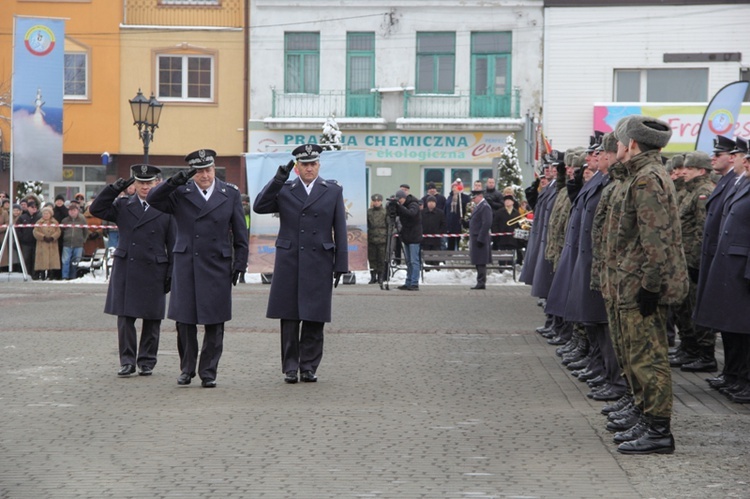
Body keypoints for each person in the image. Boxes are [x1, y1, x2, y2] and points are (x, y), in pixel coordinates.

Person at [610, 115, 687, 455]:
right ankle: (646, 416)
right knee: (638, 354)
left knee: (648, 357)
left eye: (620, 141)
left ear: (633, 144)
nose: (616, 147)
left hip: (641, 282)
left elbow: (655, 239)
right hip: (632, 279)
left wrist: (651, 285)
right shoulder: (640, 175)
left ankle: (658, 430)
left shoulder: (647, 179)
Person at [147, 149, 248, 388]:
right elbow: (153, 199)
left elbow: (240, 233)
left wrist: (240, 263)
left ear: (215, 169)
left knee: (215, 321)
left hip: (217, 265)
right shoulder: (180, 192)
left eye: (209, 169)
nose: (205, 175)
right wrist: (174, 181)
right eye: (200, 171)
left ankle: (209, 371)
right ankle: (187, 368)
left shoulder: (230, 193)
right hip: (187, 264)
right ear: (193, 173)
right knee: (185, 321)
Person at [253, 143, 348, 384]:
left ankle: (309, 366)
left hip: (320, 260)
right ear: (297, 167)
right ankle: (290, 367)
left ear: (319, 165)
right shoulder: (285, 189)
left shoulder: (332, 190)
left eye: (313, 164)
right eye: (304, 164)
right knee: (290, 317)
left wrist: (341, 265)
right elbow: (260, 206)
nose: (309, 168)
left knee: (315, 318)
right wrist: (277, 179)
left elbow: (340, 228)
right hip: (290, 261)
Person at [89, 164, 176, 378]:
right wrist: (114, 189)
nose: (145, 187)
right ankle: (127, 361)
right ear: (133, 184)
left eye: (149, 182)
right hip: (128, 265)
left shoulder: (167, 207)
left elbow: (172, 242)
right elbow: (96, 209)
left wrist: (172, 272)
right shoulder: (122, 205)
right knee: (126, 318)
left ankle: (147, 361)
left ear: (157, 183)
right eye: (140, 182)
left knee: (152, 318)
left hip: (155, 266)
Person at [667, 152, 716, 372]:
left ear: (702, 171)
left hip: (692, 262)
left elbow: (702, 231)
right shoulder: (689, 192)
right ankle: (689, 347)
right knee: (682, 308)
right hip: (683, 261)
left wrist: (696, 264)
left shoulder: (703, 192)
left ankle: (705, 354)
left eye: (689, 168)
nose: (683, 171)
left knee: (695, 308)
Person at [392, 188, 422, 291]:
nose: (399, 202)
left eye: (399, 199)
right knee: (409, 261)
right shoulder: (403, 205)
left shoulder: (413, 204)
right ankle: (408, 282)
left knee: (414, 261)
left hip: (414, 237)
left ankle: (414, 283)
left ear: (403, 198)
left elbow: (411, 214)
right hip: (407, 237)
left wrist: (399, 207)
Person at [468, 188, 492, 289]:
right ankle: (480, 281)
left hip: (480, 238)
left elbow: (486, 223)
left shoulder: (485, 206)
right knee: (478, 261)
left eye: (475, 197)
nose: (473, 200)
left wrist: (481, 238)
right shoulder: (479, 206)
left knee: (481, 261)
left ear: (480, 196)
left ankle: (481, 282)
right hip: (476, 237)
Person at [59, 202, 88, 280]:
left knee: (75, 261)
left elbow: (86, 231)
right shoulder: (65, 220)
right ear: (68, 212)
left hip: (78, 244)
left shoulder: (82, 220)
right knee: (65, 261)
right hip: (67, 244)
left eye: (74, 210)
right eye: (71, 210)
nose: (72, 212)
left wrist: (83, 240)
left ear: (77, 211)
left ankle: (73, 276)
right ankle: (65, 276)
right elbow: (61, 231)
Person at [32, 206, 61, 281]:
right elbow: (35, 232)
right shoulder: (39, 222)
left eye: (47, 213)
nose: (46, 215)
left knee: (52, 260)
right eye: (44, 213)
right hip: (42, 244)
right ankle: (42, 273)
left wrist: (53, 237)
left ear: (50, 214)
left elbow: (58, 231)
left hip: (52, 244)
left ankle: (51, 274)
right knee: (42, 260)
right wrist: (43, 237)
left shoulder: (55, 222)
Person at [367, 193, 388, 284]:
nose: (376, 203)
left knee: (381, 259)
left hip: (382, 239)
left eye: (378, 201)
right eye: (374, 201)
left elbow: (389, 225)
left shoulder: (385, 212)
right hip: (371, 238)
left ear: (381, 201)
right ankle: (373, 276)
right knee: (372, 259)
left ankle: (380, 276)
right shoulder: (369, 212)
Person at [16, 200, 40, 277]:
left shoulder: (39, 217)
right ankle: (26, 274)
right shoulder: (22, 217)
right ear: (28, 208)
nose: (34, 209)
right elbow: (17, 229)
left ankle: (35, 275)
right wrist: (22, 238)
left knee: (35, 260)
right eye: (32, 207)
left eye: (35, 207)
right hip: (25, 243)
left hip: (36, 242)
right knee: (26, 259)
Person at [444, 180, 470, 251]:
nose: (455, 188)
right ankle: (450, 259)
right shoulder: (449, 198)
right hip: (450, 226)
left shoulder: (464, 198)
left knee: (460, 245)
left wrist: (464, 221)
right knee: (450, 245)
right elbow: (446, 211)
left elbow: (467, 210)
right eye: (453, 187)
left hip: (460, 225)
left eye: (457, 187)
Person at [420, 195, 446, 264]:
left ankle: (436, 270)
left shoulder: (440, 213)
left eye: (433, 202)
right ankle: (427, 269)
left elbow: (443, 224)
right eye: (430, 202)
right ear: (427, 203)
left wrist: (439, 233)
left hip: (436, 240)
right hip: (425, 240)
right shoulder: (422, 213)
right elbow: (419, 224)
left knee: (435, 257)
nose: (431, 203)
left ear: (435, 203)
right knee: (426, 257)